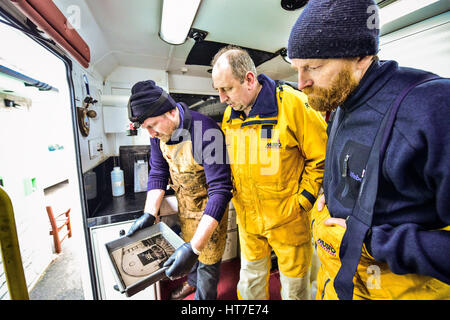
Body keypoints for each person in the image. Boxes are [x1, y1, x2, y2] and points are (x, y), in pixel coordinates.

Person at [288, 0, 450, 300]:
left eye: (314, 66)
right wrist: (334, 192)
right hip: (339, 279)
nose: (301, 83)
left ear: (362, 57)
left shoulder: (434, 108)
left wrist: (374, 241)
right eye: (296, 68)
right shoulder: (340, 102)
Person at [211, 46, 328, 300]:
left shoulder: (294, 104)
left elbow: (321, 158)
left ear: (249, 79)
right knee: (250, 288)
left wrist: (302, 203)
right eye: (218, 90)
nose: (221, 98)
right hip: (249, 223)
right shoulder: (231, 114)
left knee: (295, 291)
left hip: (289, 222)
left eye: (227, 88)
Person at [126, 80, 232, 300]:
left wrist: (194, 249)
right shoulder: (159, 136)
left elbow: (221, 190)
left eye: (152, 125)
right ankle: (191, 284)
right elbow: (157, 173)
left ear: (172, 112)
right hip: (186, 208)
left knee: (206, 263)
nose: (151, 134)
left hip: (210, 211)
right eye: (146, 128)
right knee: (187, 252)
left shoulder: (207, 132)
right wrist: (149, 213)